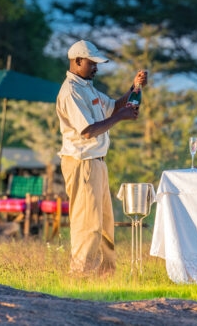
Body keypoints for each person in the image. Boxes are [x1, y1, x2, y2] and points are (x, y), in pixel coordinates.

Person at [56, 39, 148, 277]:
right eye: (92, 63)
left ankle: (104, 277)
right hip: (82, 163)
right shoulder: (71, 91)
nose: (96, 67)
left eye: (97, 63)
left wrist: (134, 88)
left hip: (97, 163)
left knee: (105, 223)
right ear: (78, 61)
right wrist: (121, 117)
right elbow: (87, 131)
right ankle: (80, 276)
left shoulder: (87, 87)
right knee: (88, 224)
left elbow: (114, 107)